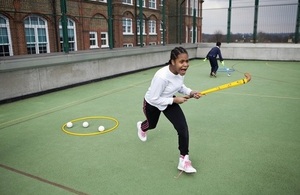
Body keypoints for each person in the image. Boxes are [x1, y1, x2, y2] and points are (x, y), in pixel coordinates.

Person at [136, 47, 202, 173]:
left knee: (182, 128)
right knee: (152, 125)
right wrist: (174, 100)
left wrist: (191, 92)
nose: (186, 65)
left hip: (169, 100)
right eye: (181, 62)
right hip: (152, 103)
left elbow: (179, 86)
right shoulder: (161, 77)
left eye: (187, 61)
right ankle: (142, 127)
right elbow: (154, 98)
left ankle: (184, 160)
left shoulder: (179, 73)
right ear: (172, 61)